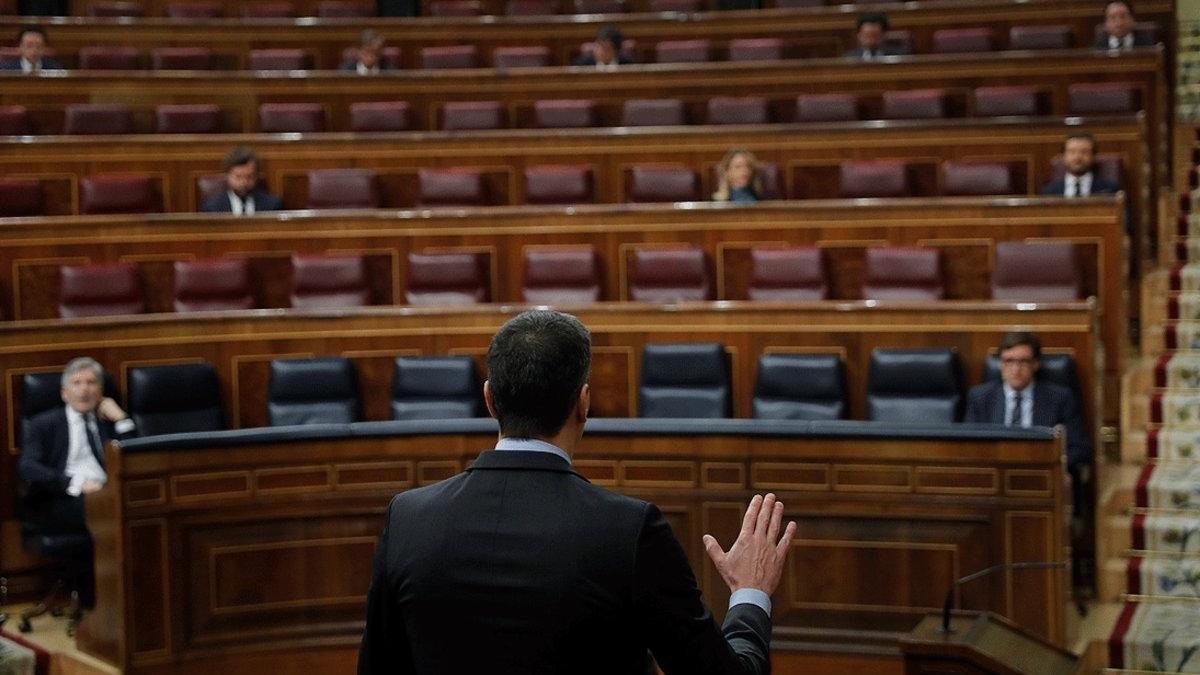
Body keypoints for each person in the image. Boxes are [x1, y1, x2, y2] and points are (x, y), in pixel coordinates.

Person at [358, 310, 796, 674]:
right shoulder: (628, 531)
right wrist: (750, 593)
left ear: (490, 400)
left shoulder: (408, 518)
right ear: (583, 403)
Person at [18, 358, 136, 545]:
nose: (84, 389)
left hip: (109, 492)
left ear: (100, 392)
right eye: (76, 383)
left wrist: (121, 419)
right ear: (64, 393)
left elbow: (133, 459)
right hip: (66, 497)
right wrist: (75, 483)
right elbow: (28, 467)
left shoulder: (107, 421)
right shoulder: (43, 424)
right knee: (109, 511)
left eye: (91, 382)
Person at [200, 147, 284, 214]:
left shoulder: (272, 206)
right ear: (227, 176)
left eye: (249, 177)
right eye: (238, 177)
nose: (244, 183)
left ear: (256, 176)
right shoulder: (212, 208)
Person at [1039, 132, 1120, 197]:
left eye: (1084, 152)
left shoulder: (1110, 190)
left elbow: (1123, 217)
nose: (1077, 157)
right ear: (1063, 156)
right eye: (1072, 152)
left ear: (1093, 156)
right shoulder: (1049, 192)